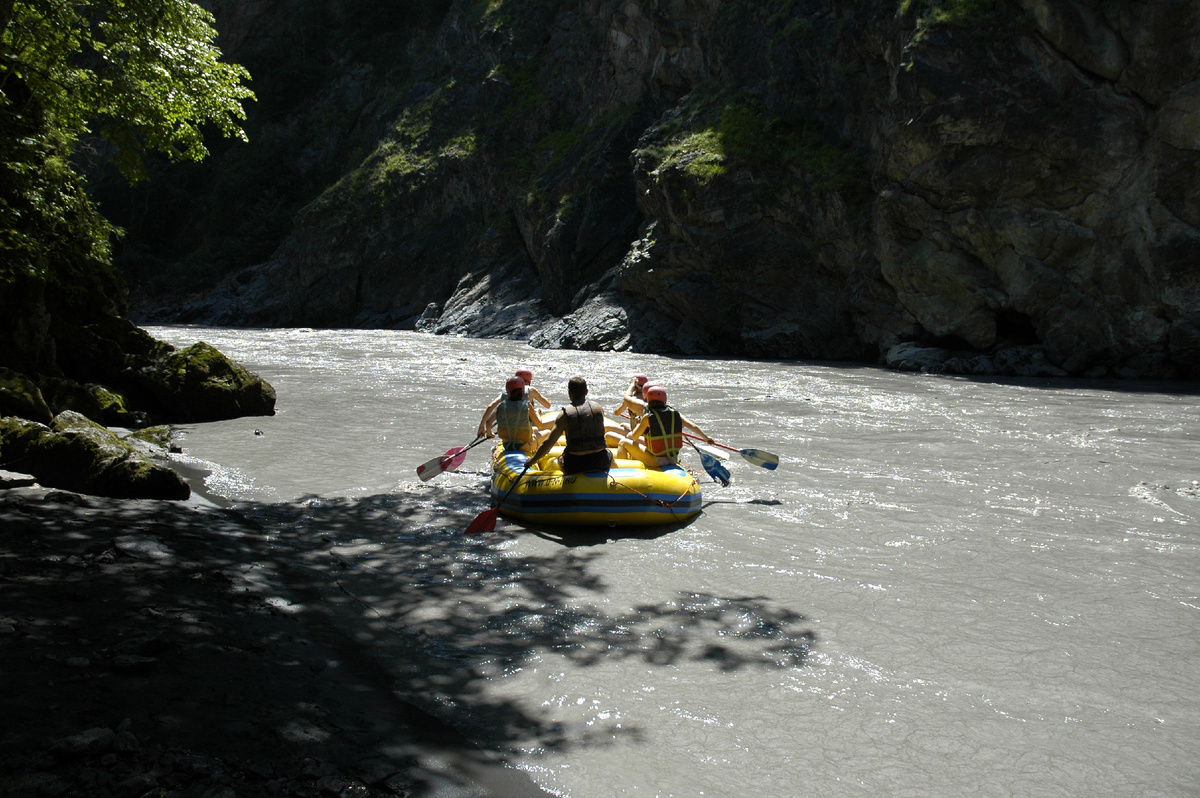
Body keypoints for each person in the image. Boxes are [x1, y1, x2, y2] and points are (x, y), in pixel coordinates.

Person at [617, 383, 715, 468]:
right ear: (664, 399)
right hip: (672, 459)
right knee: (636, 439)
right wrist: (706, 438)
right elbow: (692, 426)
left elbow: (634, 436)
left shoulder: (647, 417)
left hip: (656, 461)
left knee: (623, 442)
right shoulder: (675, 414)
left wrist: (639, 423)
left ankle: (621, 472)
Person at [529, 376, 613, 474]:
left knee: (554, 462)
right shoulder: (598, 409)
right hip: (600, 461)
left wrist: (532, 460)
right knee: (609, 455)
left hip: (575, 464)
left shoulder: (564, 414)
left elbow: (549, 443)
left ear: (569, 393)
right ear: (586, 392)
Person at [477, 367, 550, 439]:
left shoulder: (503, 401)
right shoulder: (528, 401)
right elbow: (547, 405)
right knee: (548, 429)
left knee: (534, 429)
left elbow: (490, 409)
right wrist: (536, 411)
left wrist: (482, 426)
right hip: (525, 427)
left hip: (508, 432)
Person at [483, 376, 547, 454]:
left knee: (534, 430)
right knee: (548, 432)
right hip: (525, 446)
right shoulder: (527, 405)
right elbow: (539, 425)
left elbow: (488, 422)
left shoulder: (501, 405)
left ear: (507, 391)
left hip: (507, 445)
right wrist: (536, 412)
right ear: (523, 391)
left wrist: (490, 433)